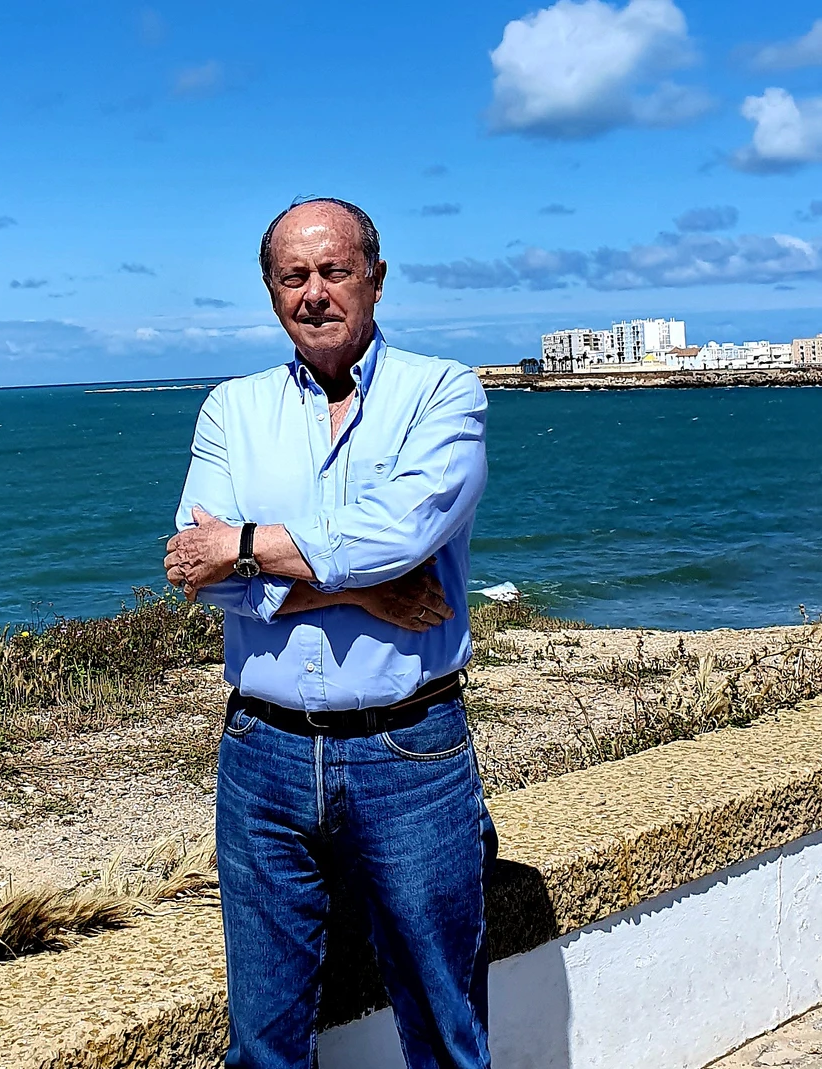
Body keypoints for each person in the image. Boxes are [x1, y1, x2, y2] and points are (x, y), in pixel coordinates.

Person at [163, 197, 493, 1069]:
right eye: (292, 276)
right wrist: (370, 596)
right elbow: (195, 576)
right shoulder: (231, 409)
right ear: (271, 291)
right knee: (264, 1043)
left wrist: (246, 546)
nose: (314, 292)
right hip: (261, 756)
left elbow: (401, 534)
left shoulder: (444, 391)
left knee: (444, 1030)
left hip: (409, 753)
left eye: (334, 271)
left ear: (376, 279)